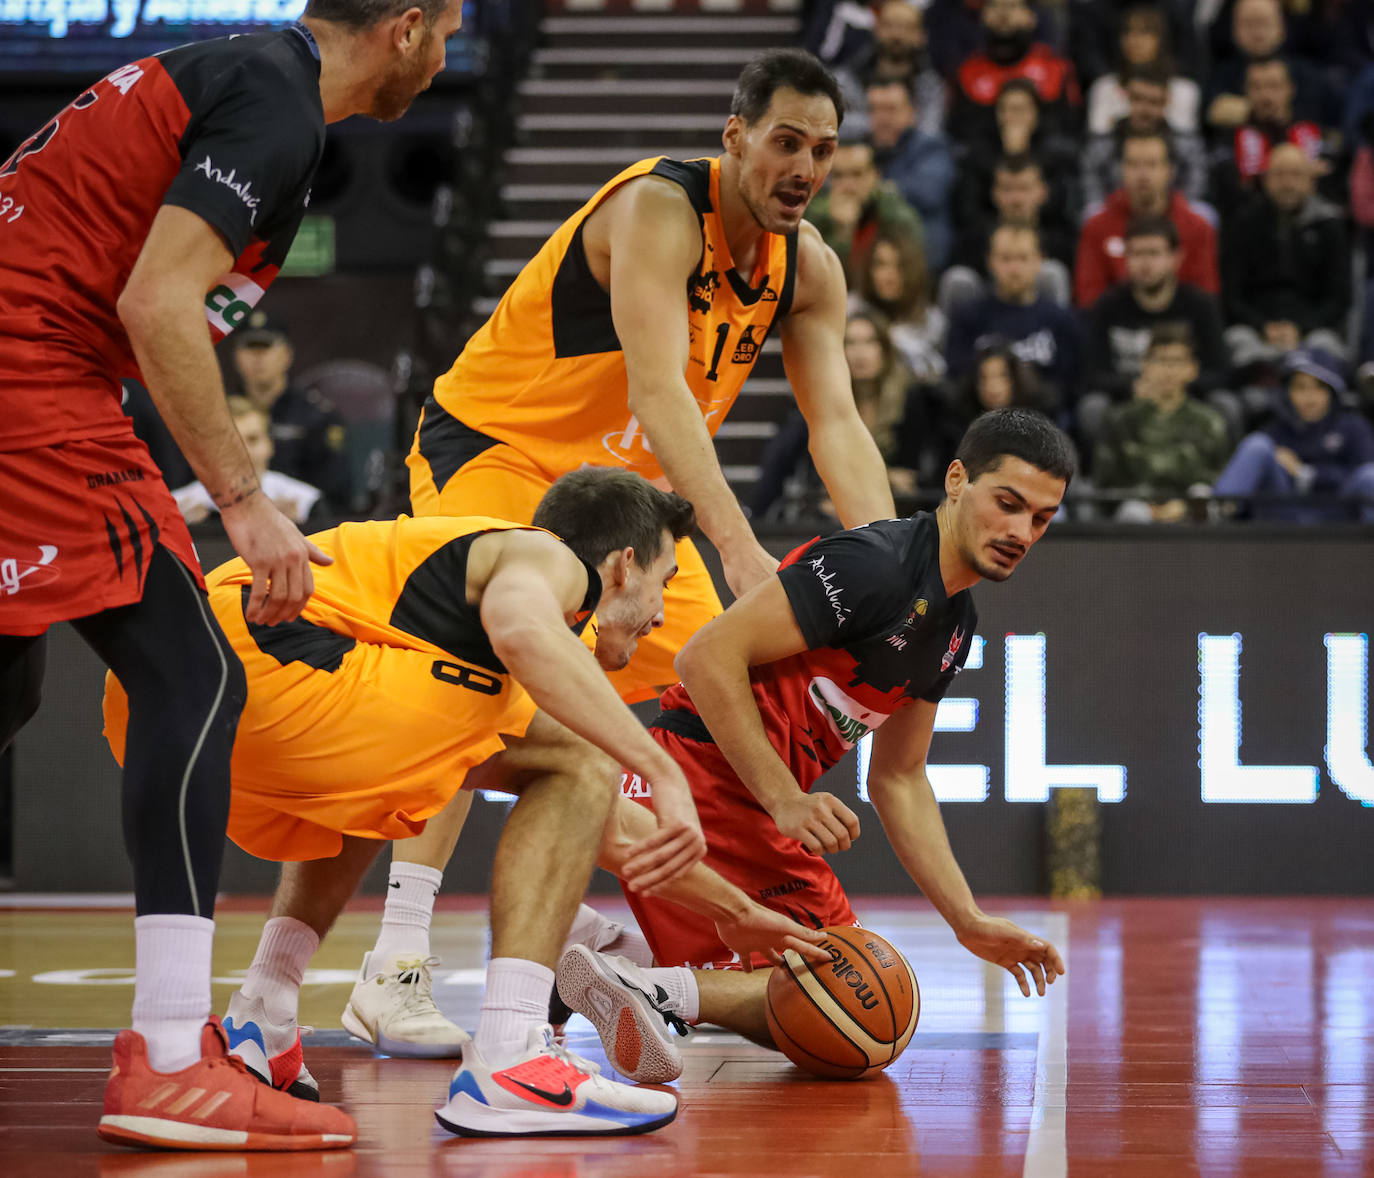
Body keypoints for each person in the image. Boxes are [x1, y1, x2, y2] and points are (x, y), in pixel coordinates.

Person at [372, 47, 899, 1057]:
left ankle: (671, 962)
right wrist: (743, 554)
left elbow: (837, 421)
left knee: (722, 692)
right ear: (734, 136)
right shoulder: (660, 210)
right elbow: (661, 396)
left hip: (621, 505)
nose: (802, 167)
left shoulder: (809, 268)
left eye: (822, 151)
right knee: (472, 674)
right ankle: (393, 960)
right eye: (784, 141)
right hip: (500, 451)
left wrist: (890, 572)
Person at [0, 0, 462, 1151]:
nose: (448, 56)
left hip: (43, 370)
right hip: (30, 376)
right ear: (407, 28)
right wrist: (248, 505)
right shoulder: (275, 101)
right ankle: (167, 1052)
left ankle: (173, 1044)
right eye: (449, 30)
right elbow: (156, 302)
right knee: (192, 676)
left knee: (6, 696)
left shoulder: (241, 78)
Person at [103, 468, 722, 1135]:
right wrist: (659, 768)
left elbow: (612, 827)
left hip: (170, 682)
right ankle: (511, 1057)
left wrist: (739, 916)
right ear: (624, 565)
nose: (663, 610)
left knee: (407, 772)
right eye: (666, 580)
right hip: (263, 656)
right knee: (566, 755)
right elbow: (524, 640)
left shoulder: (480, 612)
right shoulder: (553, 565)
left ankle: (263, 1016)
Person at [550, 409, 1071, 1081]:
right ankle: (649, 987)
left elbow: (900, 779)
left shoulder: (953, 624)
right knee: (843, 1002)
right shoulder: (875, 564)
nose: (1020, 531)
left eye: (1041, 518)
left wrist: (966, 920)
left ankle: (602, 958)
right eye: (1009, 504)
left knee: (837, 1018)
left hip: (738, 799)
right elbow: (707, 659)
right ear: (956, 479)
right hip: (709, 780)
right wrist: (784, 798)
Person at [1079, 216, 1231, 447]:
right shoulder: (1108, 306)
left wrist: (1178, 386)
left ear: (1176, 258)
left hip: (1188, 401)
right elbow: (1092, 373)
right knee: (1093, 407)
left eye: (1154, 253)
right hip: (1130, 401)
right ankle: (1101, 479)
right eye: (1137, 254)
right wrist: (1132, 387)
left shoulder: (1200, 305)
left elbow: (1221, 371)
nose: (1145, 263)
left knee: (1226, 404)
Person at [1222, 144, 1350, 369]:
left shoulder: (1330, 225)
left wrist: (1301, 328)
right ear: (1265, 180)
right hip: (1255, 329)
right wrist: (1263, 327)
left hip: (1312, 329)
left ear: (1311, 182)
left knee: (1327, 347)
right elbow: (1232, 295)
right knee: (1237, 343)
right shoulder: (1244, 223)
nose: (1287, 183)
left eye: (1296, 175)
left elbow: (1339, 298)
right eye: (1279, 174)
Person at [1214, 349, 1374, 523]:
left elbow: (1363, 476)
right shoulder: (1274, 430)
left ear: (1332, 391)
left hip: (1339, 516)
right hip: (1285, 515)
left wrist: (1305, 473)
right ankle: (1217, 511)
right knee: (1257, 444)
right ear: (1287, 392)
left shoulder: (1353, 427)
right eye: (1300, 387)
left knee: (1370, 475)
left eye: (1319, 387)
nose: (1309, 396)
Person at [1092, 324, 1233, 521]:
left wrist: (1183, 505)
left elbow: (1221, 480)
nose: (1168, 370)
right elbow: (1106, 484)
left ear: (1193, 369)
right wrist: (1150, 507)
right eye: (1160, 360)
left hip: (1191, 512)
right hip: (1137, 511)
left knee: (1206, 502)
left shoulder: (1210, 422)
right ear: (1145, 365)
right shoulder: (1120, 420)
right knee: (1133, 512)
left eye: (1177, 361)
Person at [946, 224, 1082, 417]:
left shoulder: (1061, 320)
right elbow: (957, 379)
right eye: (1006, 259)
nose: (1014, 269)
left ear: (1039, 261)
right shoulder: (968, 317)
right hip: (980, 422)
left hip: (1043, 423)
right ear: (990, 262)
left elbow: (1069, 385)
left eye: (1023, 258)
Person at [1074, 127, 1219, 308]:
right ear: (1120, 169)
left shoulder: (1198, 227)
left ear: (1170, 170)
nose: (1143, 174)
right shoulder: (1096, 227)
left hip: (1180, 330)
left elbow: (1206, 297)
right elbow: (1089, 299)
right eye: (1133, 164)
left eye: (1152, 164)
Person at [232, 311, 353, 513]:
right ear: (236, 356)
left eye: (266, 347)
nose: (258, 357)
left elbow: (338, 498)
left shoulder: (318, 417)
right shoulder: (218, 414)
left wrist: (309, 511)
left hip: (304, 526)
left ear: (287, 354)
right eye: (250, 347)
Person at [946, 153, 1076, 308]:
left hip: (1044, 324)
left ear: (1042, 192)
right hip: (984, 322)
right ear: (994, 193)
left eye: (1024, 189)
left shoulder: (1062, 238)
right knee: (959, 278)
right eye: (1007, 189)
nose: (1016, 199)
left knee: (1051, 273)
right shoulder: (972, 239)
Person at [174, 397, 325, 526]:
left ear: (269, 444)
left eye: (252, 440)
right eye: (231, 443)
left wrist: (301, 529)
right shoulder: (177, 507)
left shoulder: (306, 503)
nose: (243, 452)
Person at [948, 0, 1080, 145]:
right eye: (994, 6)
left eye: (1013, 6)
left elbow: (1070, 129)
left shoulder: (1055, 67)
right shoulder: (967, 72)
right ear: (982, 16)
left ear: (1031, 16)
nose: (1003, 14)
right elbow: (959, 136)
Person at [1080, 62, 1209, 208]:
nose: (1145, 110)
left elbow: (1195, 191)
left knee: (1203, 212)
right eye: (1138, 99)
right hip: (1113, 216)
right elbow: (1092, 191)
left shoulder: (1187, 146)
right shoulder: (1102, 145)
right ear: (1126, 97)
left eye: (1154, 102)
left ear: (1167, 101)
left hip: (1174, 217)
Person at [865, 78, 955, 270]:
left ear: (912, 112)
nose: (882, 118)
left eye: (891, 109)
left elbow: (929, 192)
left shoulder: (930, 147)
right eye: (875, 109)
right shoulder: (862, 149)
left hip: (921, 259)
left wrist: (876, 188)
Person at [804, 138, 925, 282]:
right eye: (838, 175)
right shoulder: (813, 219)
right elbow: (816, 281)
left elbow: (907, 280)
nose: (847, 185)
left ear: (875, 175)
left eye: (857, 174)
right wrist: (843, 233)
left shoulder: (897, 218)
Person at [1083, 4, 1202, 135]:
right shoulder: (1104, 87)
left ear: (1161, 39)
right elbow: (1097, 143)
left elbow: (1187, 145)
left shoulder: (1184, 90)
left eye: (1144, 32)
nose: (1133, 41)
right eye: (1127, 32)